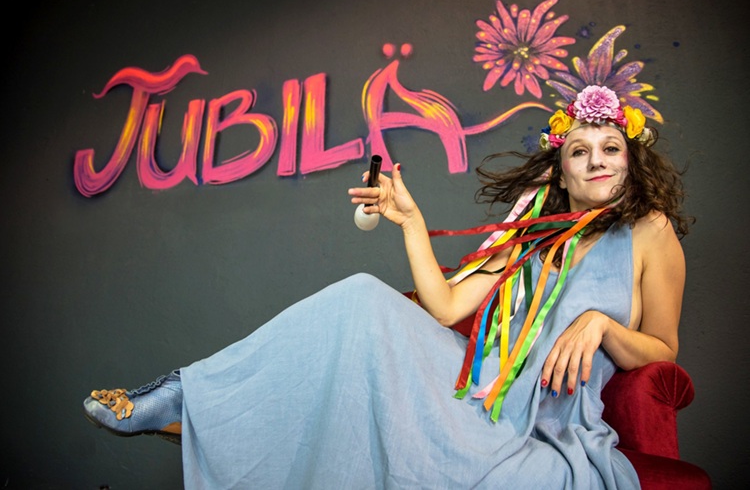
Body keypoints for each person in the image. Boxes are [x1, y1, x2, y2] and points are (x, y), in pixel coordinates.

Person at [83, 85, 690, 489]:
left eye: (610, 148)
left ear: (629, 159)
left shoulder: (650, 233)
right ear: (561, 171)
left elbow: (664, 349)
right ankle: (186, 396)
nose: (597, 161)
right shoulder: (529, 233)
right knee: (361, 295)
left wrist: (601, 325)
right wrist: (411, 222)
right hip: (470, 393)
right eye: (580, 152)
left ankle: (206, 415)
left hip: (543, 424)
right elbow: (446, 307)